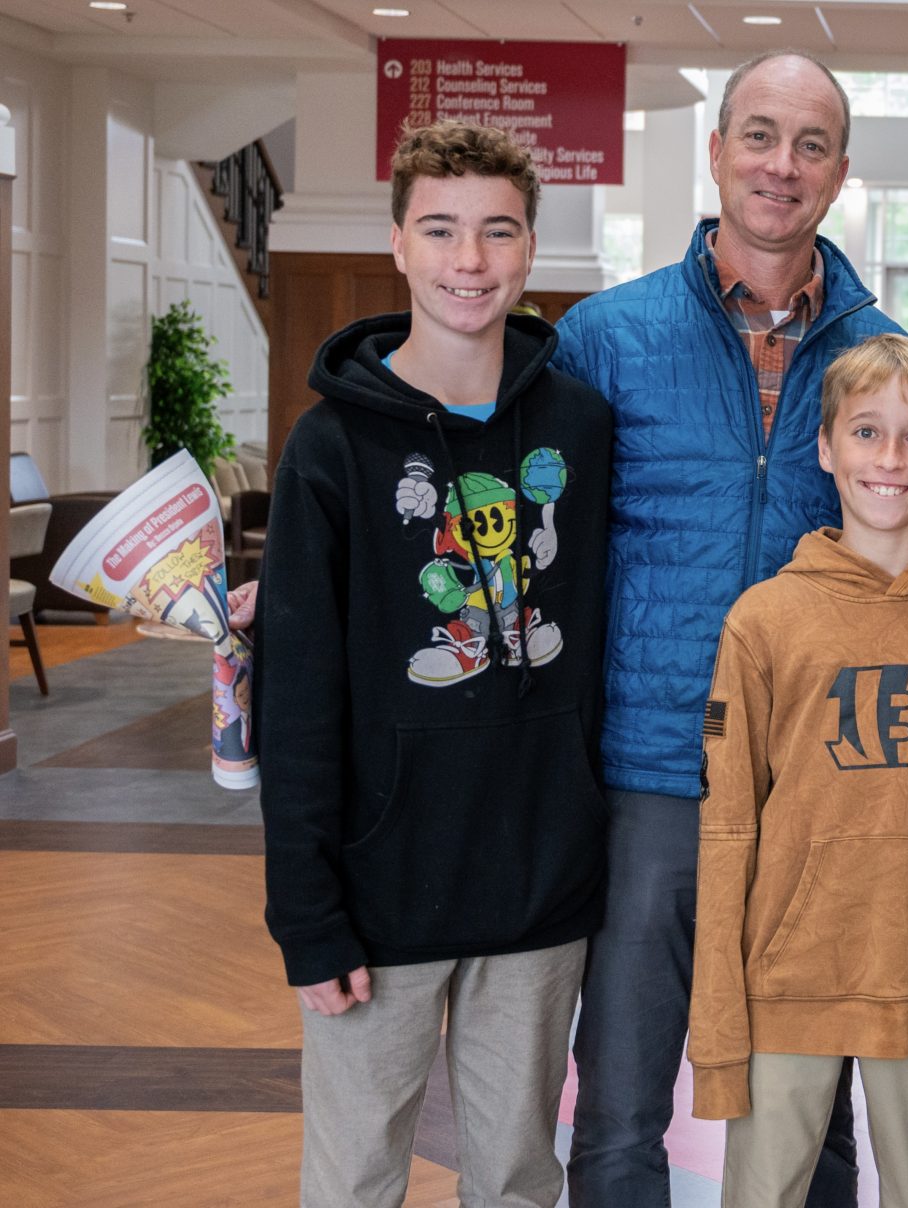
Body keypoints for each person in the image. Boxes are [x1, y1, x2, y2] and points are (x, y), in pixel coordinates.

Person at [553, 49, 901, 1205]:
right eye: (759, 135)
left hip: (817, 784)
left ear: (841, 172)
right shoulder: (605, 338)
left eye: (810, 145)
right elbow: (522, 539)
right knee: (617, 1108)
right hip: (651, 778)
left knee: (819, 1115)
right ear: (715, 152)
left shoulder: (881, 359)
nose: (781, 166)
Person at [256, 119, 611, 1207]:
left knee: (514, 1177)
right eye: (443, 230)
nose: (472, 260)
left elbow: (593, 636)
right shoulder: (331, 447)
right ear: (399, 243)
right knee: (357, 1176)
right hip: (379, 892)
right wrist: (306, 913)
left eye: (498, 232)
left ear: (530, 247)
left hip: (538, 884)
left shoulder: (582, 425)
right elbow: (298, 698)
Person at [687, 333, 908, 1207]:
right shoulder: (764, 619)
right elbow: (729, 828)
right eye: (867, 432)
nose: (891, 459)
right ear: (824, 447)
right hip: (790, 976)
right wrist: (720, 1023)